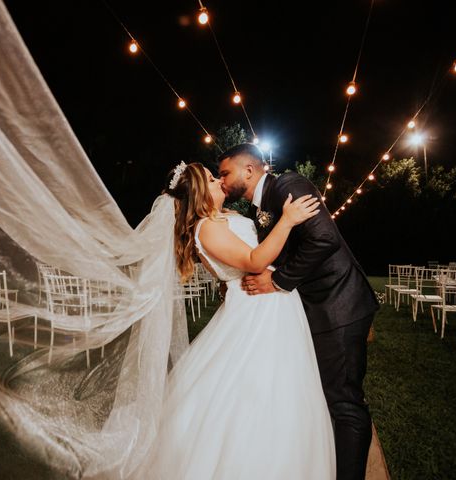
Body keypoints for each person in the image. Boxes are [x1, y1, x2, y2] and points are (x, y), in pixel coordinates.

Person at [140, 161, 335, 479]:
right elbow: (253, 260)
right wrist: (288, 221)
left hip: (268, 303)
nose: (219, 181)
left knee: (281, 385)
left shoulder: (224, 218)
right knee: (257, 388)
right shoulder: (207, 226)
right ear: (201, 192)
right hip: (254, 308)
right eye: (211, 178)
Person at [218, 143, 380, 480]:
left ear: (249, 170)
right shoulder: (260, 207)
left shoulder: (289, 186)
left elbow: (324, 239)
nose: (222, 180)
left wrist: (278, 280)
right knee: (324, 396)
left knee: (344, 403)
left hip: (338, 305)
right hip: (318, 309)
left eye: (225, 172)